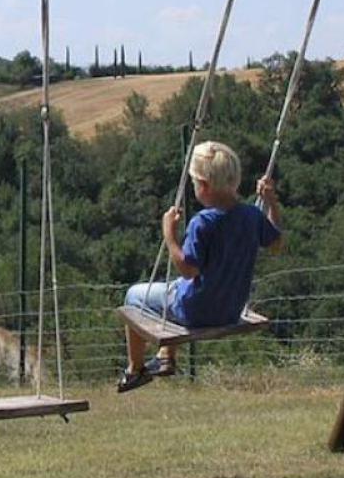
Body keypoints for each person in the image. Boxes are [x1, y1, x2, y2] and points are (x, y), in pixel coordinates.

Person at [117, 141, 282, 392]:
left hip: (196, 312)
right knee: (175, 288)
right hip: (230, 310)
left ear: (203, 186)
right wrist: (271, 203)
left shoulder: (203, 222)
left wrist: (169, 234)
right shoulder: (251, 215)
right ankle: (165, 355)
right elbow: (277, 243)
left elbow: (189, 269)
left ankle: (135, 369)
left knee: (134, 295)